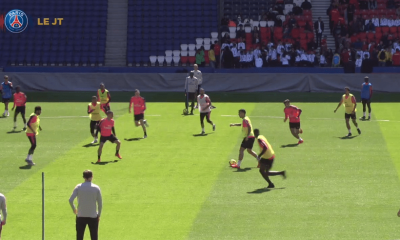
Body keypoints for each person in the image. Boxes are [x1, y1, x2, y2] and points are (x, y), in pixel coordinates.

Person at [69, 170, 102, 240]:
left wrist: (74, 209)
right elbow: (100, 203)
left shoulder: (78, 187)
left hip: (81, 215)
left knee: (79, 237)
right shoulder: (96, 188)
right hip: (93, 216)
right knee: (94, 237)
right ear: (92, 177)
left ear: (84, 177)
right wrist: (98, 214)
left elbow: (71, 200)